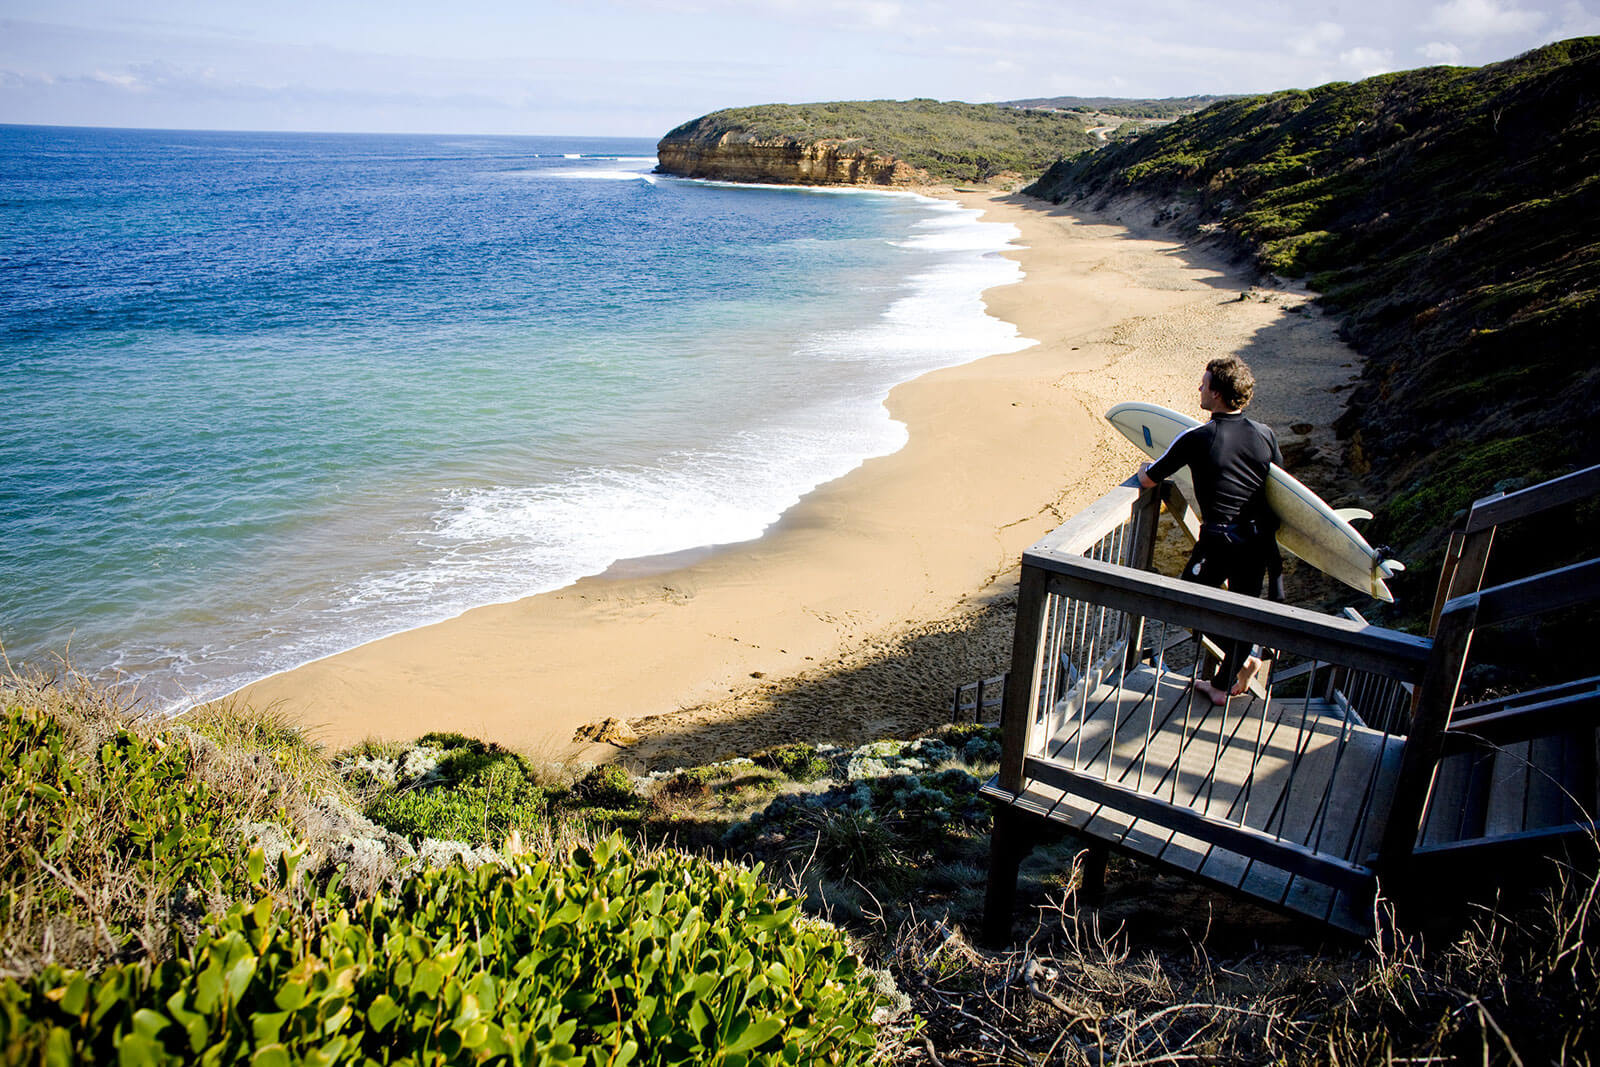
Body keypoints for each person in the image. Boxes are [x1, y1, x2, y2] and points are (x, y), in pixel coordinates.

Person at [1137, 356, 1284, 705]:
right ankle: (1225, 680)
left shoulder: (1199, 436)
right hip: (1257, 539)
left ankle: (1243, 657)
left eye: (1203, 385)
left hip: (1220, 540)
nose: (1199, 389)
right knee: (1243, 608)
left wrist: (1145, 467)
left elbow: (1150, 477)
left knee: (1188, 602)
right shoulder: (1266, 435)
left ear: (1216, 394)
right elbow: (1281, 490)